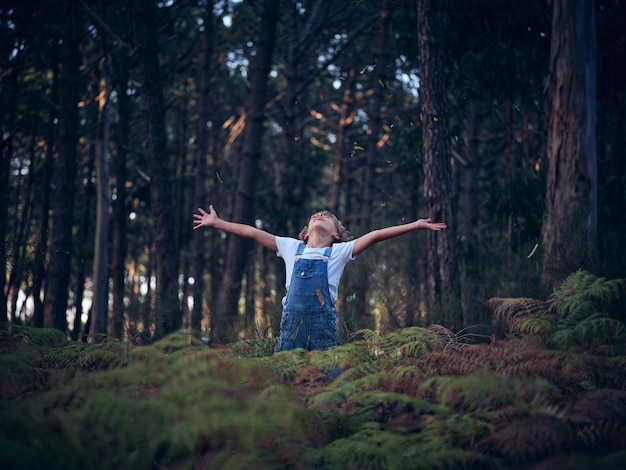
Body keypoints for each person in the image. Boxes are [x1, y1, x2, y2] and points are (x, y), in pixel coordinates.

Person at [193, 205, 446, 353]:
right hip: (290, 334)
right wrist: (217, 223)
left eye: (326, 217)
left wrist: (414, 225)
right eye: (315, 216)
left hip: (324, 334)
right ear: (305, 235)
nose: (319, 216)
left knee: (330, 386)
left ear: (336, 234)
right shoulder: (290, 247)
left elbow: (377, 234)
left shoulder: (339, 252)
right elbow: (251, 232)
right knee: (285, 382)